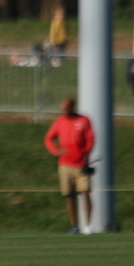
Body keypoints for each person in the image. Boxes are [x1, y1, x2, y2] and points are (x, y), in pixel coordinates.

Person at [44, 98, 95, 235]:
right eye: (61, 109)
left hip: (81, 164)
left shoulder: (84, 120)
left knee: (85, 193)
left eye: (65, 109)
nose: (63, 112)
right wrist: (56, 151)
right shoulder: (59, 122)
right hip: (65, 164)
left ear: (72, 108)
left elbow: (90, 139)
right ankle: (74, 226)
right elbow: (48, 138)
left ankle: (88, 225)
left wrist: (87, 153)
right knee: (69, 196)